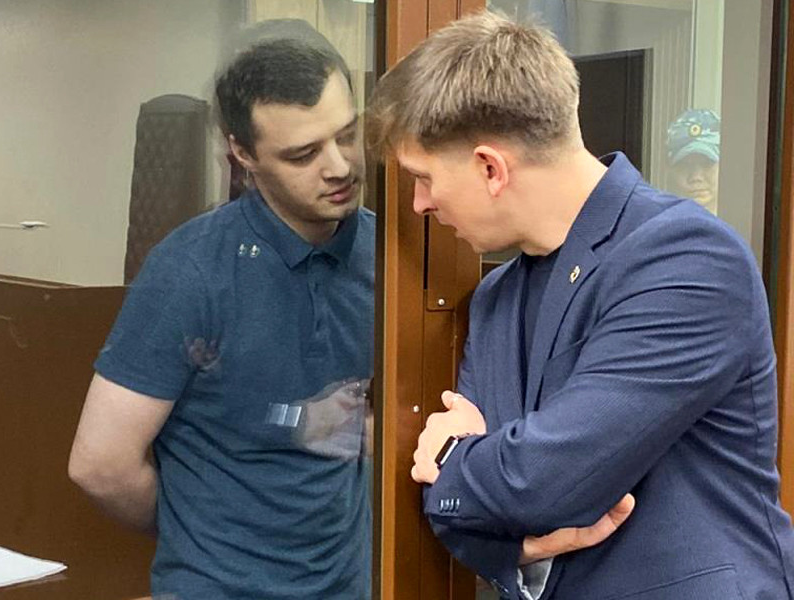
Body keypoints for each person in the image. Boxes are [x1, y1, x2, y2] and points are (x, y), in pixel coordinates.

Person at [367, 10, 794, 600]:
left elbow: (544, 481)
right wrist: (519, 544)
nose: (419, 203)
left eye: (423, 177)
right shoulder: (496, 297)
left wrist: (452, 453)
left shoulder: (688, 258)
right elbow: (454, 516)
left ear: (491, 167)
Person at [68, 20, 375, 600]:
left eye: (348, 135)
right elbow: (100, 464)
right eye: (304, 153)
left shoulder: (390, 260)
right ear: (243, 154)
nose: (338, 166)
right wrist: (200, 535)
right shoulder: (190, 271)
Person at [666, 108, 720, 214]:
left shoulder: (745, 217)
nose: (696, 177)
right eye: (684, 166)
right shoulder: (658, 222)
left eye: (707, 164)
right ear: (669, 170)